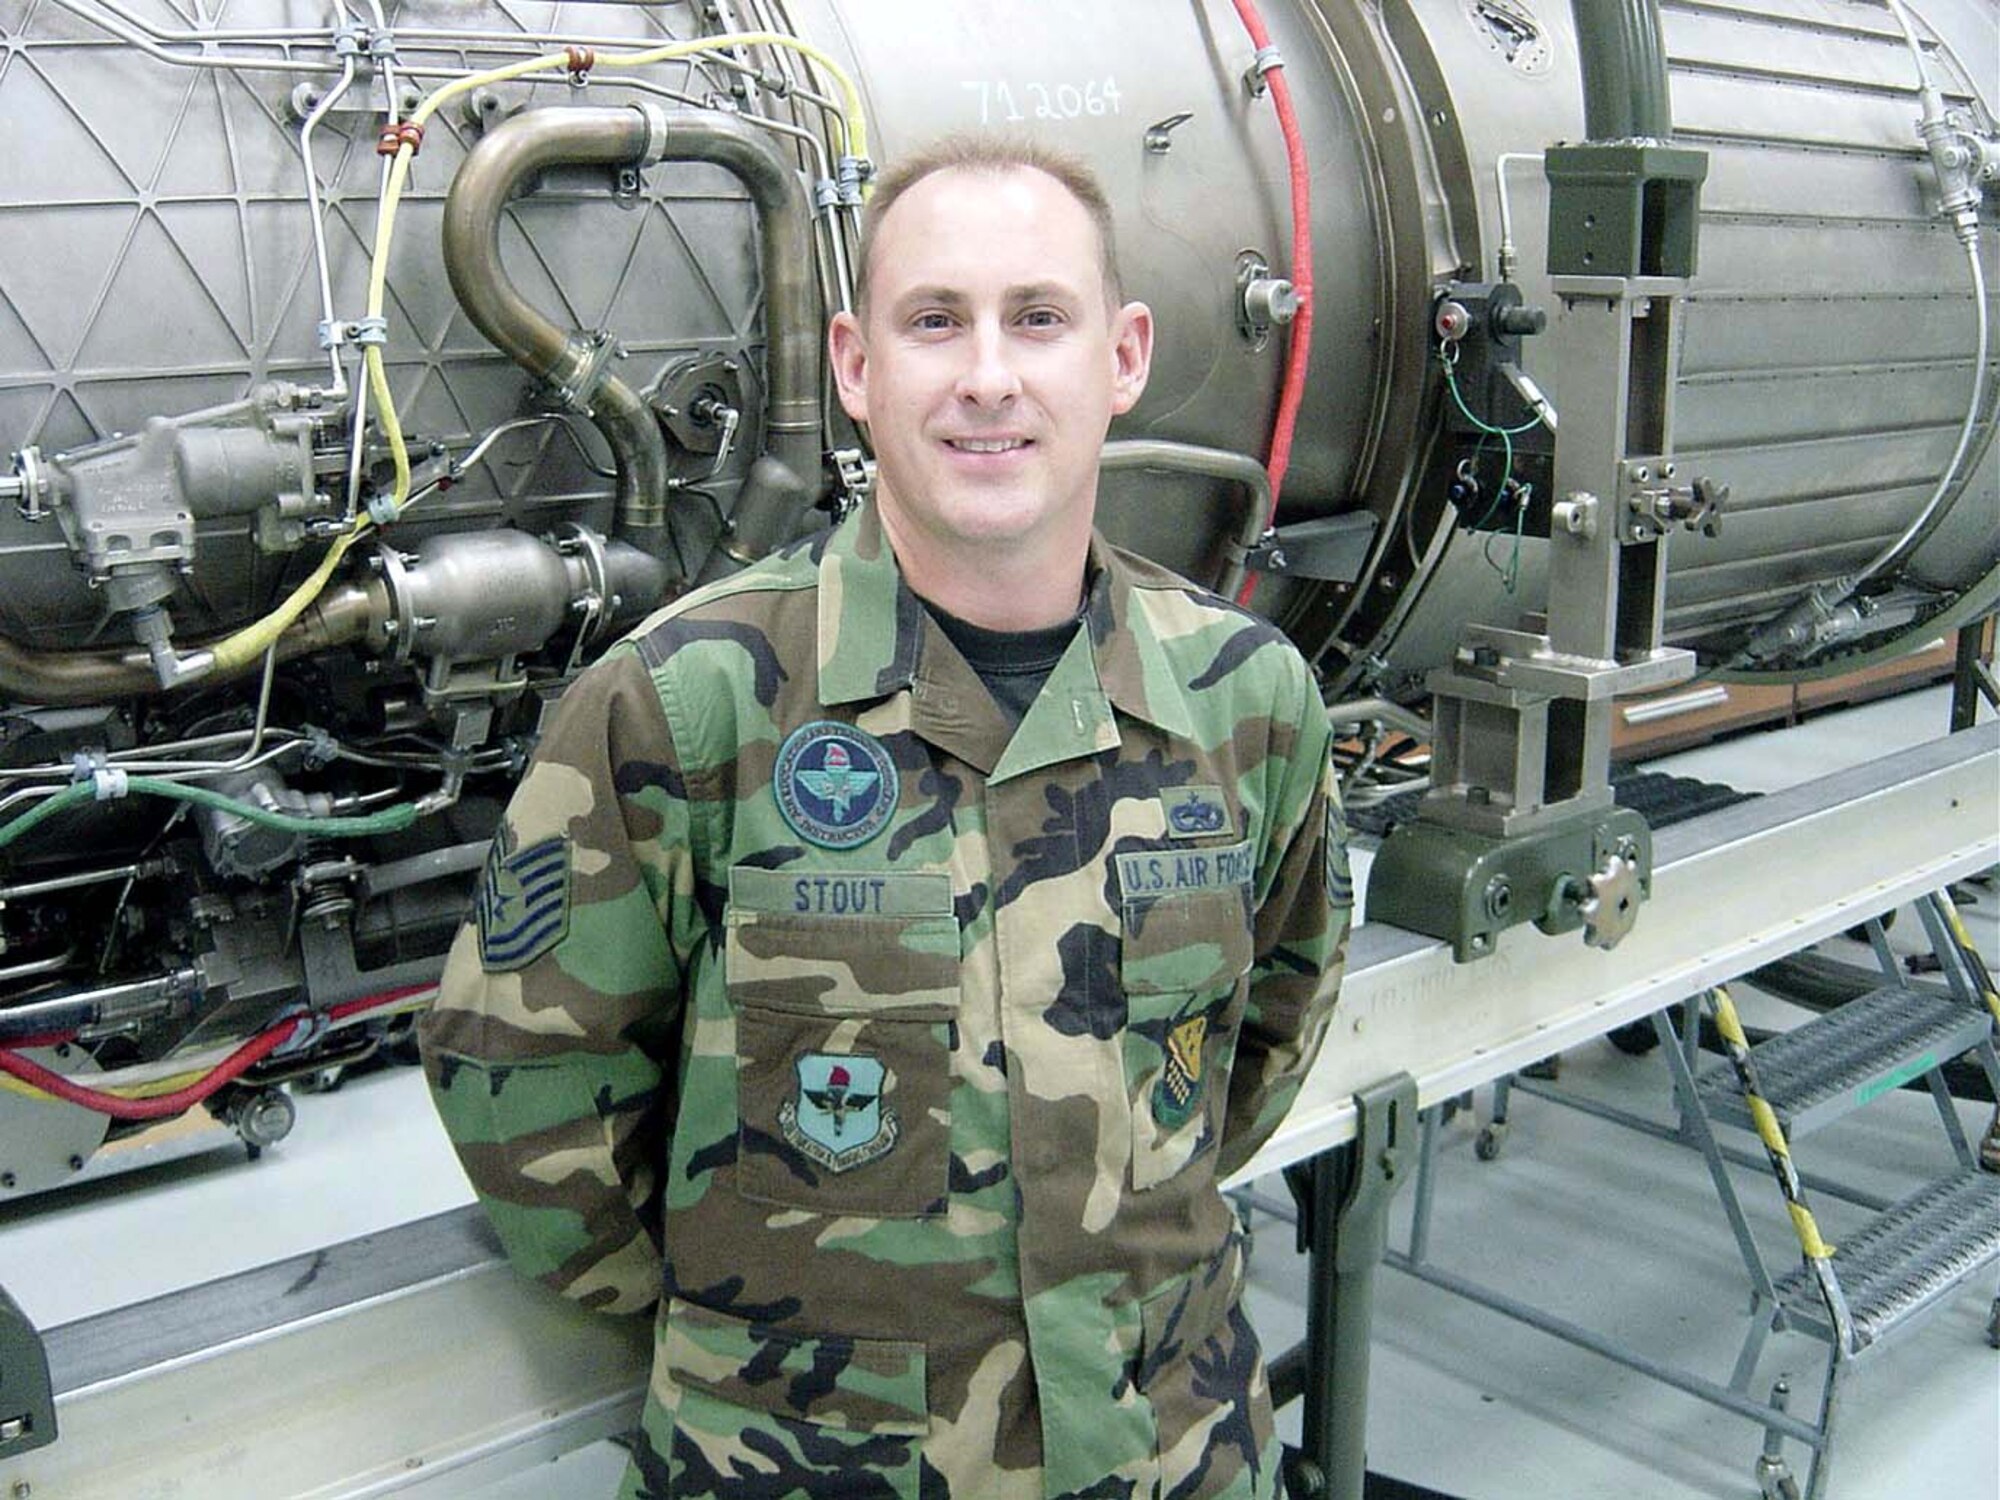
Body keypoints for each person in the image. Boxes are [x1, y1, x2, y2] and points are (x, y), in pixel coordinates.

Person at [420, 133, 1350, 1500]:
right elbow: (523, 1091)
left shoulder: (1245, 699)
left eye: (1039, 318)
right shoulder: (691, 704)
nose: (988, 376)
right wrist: (755, 1338)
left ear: (1125, 355)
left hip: (1175, 1455)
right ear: (855, 366)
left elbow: (1261, 1041)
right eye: (934, 322)